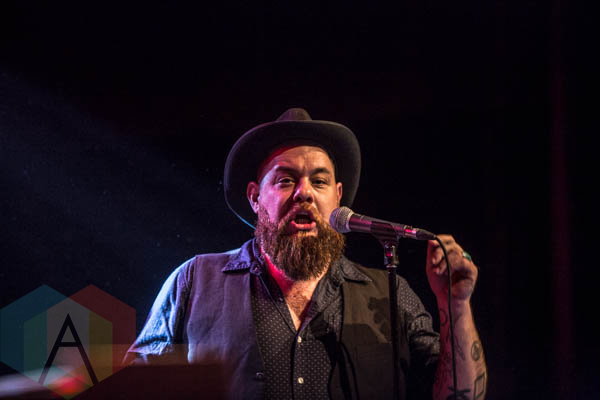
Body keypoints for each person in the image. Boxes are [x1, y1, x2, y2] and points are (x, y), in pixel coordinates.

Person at [126, 108, 487, 399]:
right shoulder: (195, 281)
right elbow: (132, 387)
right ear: (255, 197)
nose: (305, 193)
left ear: (338, 197)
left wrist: (455, 303)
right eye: (285, 180)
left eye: (319, 181)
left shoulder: (389, 294)